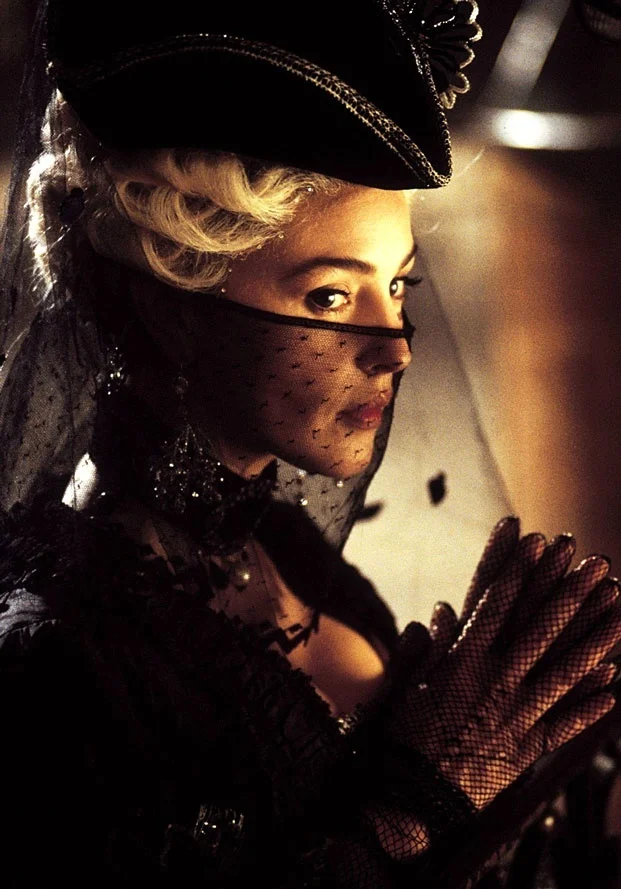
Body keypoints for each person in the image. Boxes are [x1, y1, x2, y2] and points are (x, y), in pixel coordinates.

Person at [1, 1, 620, 887]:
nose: (395, 348)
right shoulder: (60, 664)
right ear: (174, 308)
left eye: (397, 286)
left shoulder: (286, 550)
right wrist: (424, 796)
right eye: (329, 295)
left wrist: (541, 790)